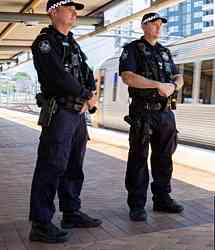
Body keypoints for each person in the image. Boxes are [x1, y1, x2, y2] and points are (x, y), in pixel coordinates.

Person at [29, 0, 102, 243]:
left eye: (75, 9)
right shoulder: (44, 43)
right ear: (53, 12)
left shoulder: (73, 44)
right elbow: (58, 76)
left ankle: (71, 212)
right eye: (69, 8)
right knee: (51, 165)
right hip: (59, 112)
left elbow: (87, 74)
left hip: (77, 114)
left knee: (73, 165)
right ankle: (40, 223)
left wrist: (89, 95)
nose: (74, 13)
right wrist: (86, 96)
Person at [119, 12, 184, 221]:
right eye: (154, 24)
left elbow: (178, 76)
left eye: (160, 25)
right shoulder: (132, 50)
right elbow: (127, 77)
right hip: (143, 112)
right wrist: (157, 85)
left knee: (164, 157)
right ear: (143, 26)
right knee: (138, 157)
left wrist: (173, 86)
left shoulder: (165, 52)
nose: (158, 28)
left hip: (165, 112)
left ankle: (162, 198)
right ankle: (137, 205)